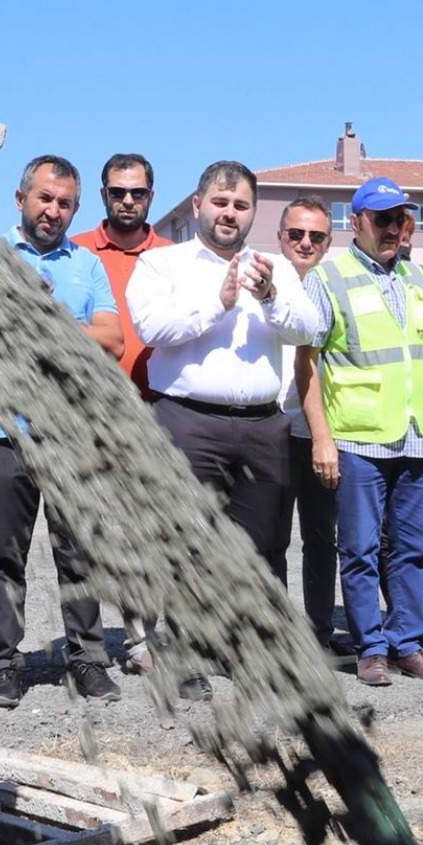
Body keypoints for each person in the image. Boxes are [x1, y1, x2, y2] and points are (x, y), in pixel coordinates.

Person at [128, 161, 324, 581]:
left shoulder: (275, 268)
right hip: (186, 424)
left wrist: (270, 296)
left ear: (254, 212)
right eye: (220, 202)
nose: (229, 213)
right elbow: (151, 327)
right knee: (188, 551)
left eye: (241, 204)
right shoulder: (162, 264)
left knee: (258, 555)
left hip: (262, 428)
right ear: (198, 204)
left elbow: (309, 328)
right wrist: (219, 304)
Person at [0, 156, 123, 708]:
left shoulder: (86, 265)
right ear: (20, 200)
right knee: (5, 556)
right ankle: (6, 665)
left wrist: (48, 321)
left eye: (64, 203)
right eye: (44, 199)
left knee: (79, 553)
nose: (53, 211)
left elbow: (112, 342)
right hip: (5, 429)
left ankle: (86, 659)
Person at [301, 176, 423, 686]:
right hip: (360, 439)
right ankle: (371, 646)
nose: (394, 228)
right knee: (360, 549)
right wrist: (321, 438)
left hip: (418, 437)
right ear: (356, 221)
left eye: (401, 219)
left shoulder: (418, 280)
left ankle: (407, 642)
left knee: (414, 548)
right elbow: (308, 364)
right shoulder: (328, 278)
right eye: (383, 218)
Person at [276, 194, 347, 652]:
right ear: (281, 237)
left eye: (315, 235)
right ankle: (277, 638)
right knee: (270, 540)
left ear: (328, 240)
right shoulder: (263, 280)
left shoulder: (336, 285)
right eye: (296, 234)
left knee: (322, 540)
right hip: (270, 428)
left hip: (320, 433)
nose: (305, 242)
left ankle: (320, 632)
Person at [71, 152, 169, 395]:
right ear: (104, 195)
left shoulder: (173, 257)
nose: (127, 200)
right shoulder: (73, 251)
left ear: (151, 197)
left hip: (161, 406)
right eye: (117, 192)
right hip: (91, 405)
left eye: (138, 193)